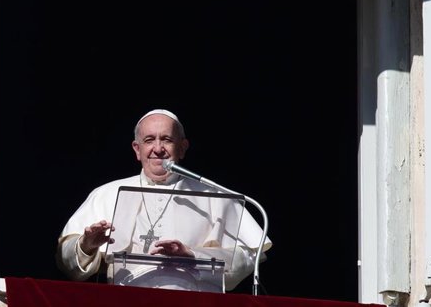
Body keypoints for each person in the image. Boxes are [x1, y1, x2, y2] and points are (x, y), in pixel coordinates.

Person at [55, 109, 272, 292]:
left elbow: (249, 255)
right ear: (137, 150)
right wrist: (86, 246)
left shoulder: (216, 197)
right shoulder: (106, 194)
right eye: (149, 140)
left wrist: (193, 255)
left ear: (183, 147)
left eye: (166, 139)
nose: (158, 149)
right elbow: (67, 262)